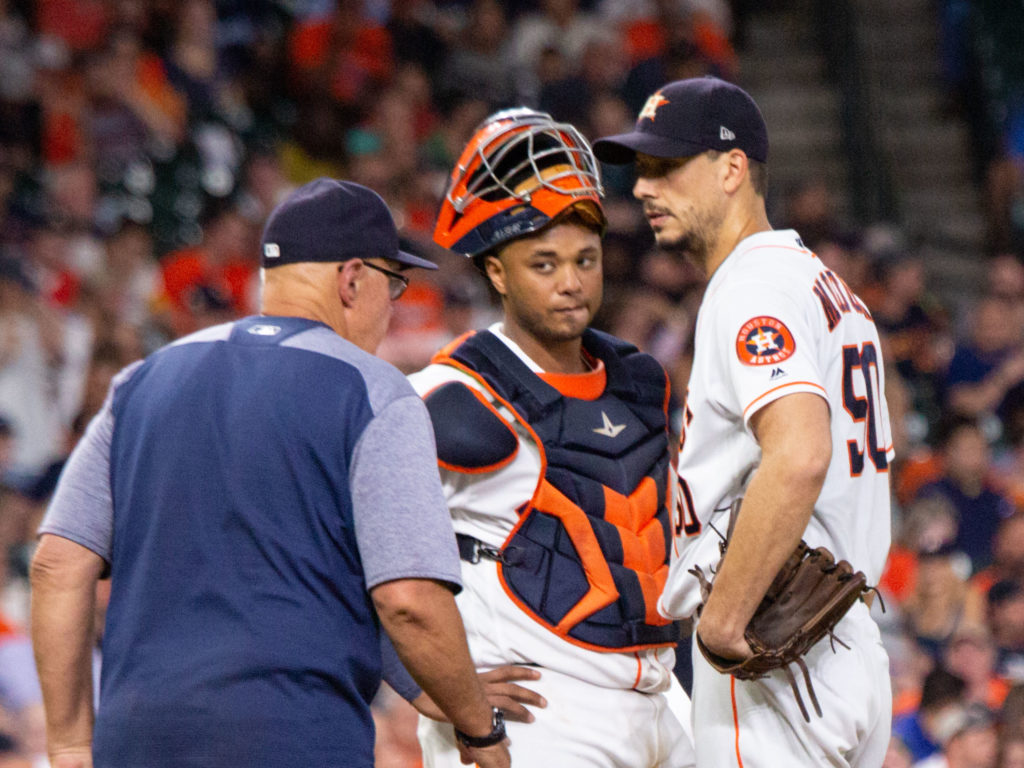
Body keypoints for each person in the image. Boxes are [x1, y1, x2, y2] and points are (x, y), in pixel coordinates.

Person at [29, 178, 511, 768]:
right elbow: (407, 599)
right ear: (352, 279)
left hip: (139, 739)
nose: (394, 305)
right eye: (395, 284)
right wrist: (478, 725)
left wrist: (71, 745)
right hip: (292, 737)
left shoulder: (143, 381)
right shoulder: (370, 389)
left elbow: (57, 566)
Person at [594, 76, 893, 766]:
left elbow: (800, 454)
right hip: (847, 648)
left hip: (780, 647)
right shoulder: (825, 284)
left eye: (666, 168)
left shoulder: (752, 285)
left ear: (732, 169)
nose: (643, 188)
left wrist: (723, 623)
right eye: (641, 170)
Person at [408, 107, 695, 767]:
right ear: (497, 273)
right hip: (538, 708)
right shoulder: (449, 394)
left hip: (658, 692)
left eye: (584, 259)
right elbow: (344, 534)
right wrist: (411, 679)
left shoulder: (639, 377)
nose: (571, 281)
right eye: (544, 263)